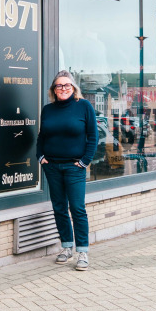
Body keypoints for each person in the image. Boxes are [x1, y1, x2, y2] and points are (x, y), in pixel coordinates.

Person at [37, 70, 98, 271]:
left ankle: (82, 251)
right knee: (59, 207)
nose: (63, 89)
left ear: (73, 88)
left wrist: (84, 161)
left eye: (67, 85)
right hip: (52, 166)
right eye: (59, 85)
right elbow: (41, 136)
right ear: (53, 89)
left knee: (77, 208)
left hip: (74, 167)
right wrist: (41, 156)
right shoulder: (48, 110)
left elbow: (93, 136)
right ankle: (66, 247)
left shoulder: (84, 106)